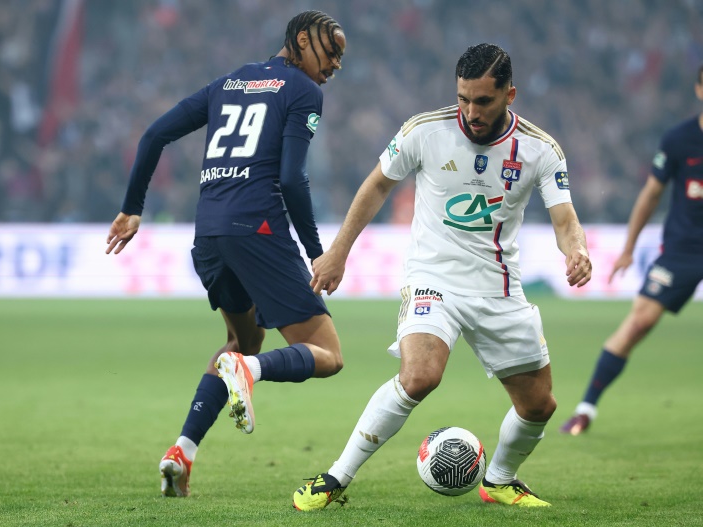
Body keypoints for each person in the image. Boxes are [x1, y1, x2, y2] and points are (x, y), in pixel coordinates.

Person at [292, 43, 592, 511]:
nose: (471, 112)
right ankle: (334, 478)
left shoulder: (539, 149)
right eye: (463, 99)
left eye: (484, 101)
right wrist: (338, 252)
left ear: (509, 94)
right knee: (419, 376)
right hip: (434, 278)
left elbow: (564, 218)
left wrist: (577, 250)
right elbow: (377, 185)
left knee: (539, 406)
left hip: (499, 287)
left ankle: (500, 480)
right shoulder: (423, 131)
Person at [105, 11, 346, 497]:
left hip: (210, 233)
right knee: (328, 355)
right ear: (302, 39)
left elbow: (154, 134)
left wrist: (133, 209)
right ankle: (251, 373)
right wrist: (320, 253)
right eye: (331, 50)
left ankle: (182, 452)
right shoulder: (303, 92)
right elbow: (290, 179)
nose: (336, 63)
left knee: (241, 341)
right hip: (259, 228)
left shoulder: (228, 83)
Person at [560, 64, 703, 436]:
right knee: (638, 322)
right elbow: (651, 195)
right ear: (699, 90)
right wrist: (627, 249)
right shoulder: (679, 140)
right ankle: (586, 409)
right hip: (683, 250)